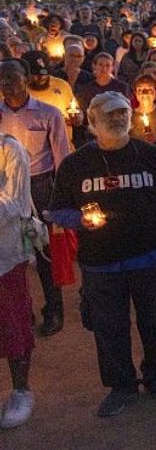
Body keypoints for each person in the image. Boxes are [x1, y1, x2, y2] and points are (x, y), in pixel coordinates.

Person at [46, 91, 156, 418]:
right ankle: (121, 386)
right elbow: (55, 211)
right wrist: (79, 220)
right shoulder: (75, 164)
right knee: (109, 328)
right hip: (100, 263)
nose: (119, 119)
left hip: (149, 258)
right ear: (92, 121)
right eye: (110, 115)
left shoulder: (152, 156)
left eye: (123, 112)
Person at [0, 59, 71, 336]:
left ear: (26, 77)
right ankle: (21, 312)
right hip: (7, 190)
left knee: (45, 252)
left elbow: (61, 157)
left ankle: (54, 310)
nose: (6, 85)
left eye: (11, 78)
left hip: (41, 187)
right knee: (12, 252)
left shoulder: (49, 113)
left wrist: (61, 195)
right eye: (2, 80)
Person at [0, 125, 36, 429]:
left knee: (12, 324)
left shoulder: (10, 150)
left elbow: (15, 202)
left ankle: (21, 390)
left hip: (5, 255)